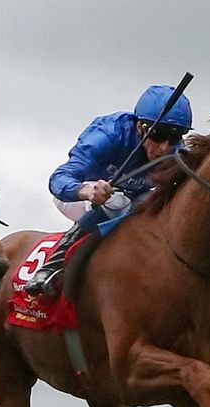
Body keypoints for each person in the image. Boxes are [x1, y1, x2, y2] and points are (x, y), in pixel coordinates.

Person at [23, 84, 192, 297]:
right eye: (158, 135)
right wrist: (87, 192)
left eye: (175, 137)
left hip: (132, 199)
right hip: (79, 195)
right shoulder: (109, 134)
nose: (166, 148)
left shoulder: (176, 153)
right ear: (140, 126)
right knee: (117, 202)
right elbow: (58, 180)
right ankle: (51, 266)